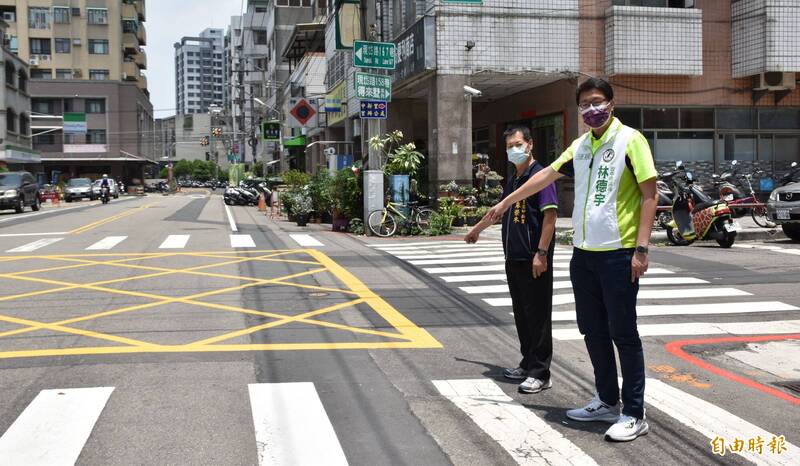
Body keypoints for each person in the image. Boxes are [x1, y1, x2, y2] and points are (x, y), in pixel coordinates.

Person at [485, 77, 658, 442]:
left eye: (597, 102)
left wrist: (642, 249)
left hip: (619, 253)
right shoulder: (580, 146)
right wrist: (506, 201)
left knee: (623, 334)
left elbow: (649, 195)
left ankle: (634, 411)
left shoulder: (631, 141)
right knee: (592, 331)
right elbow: (546, 174)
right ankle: (607, 401)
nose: (591, 109)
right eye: (584, 104)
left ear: (611, 103)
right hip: (584, 256)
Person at [465, 126, 558, 394]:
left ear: (530, 145)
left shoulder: (542, 176)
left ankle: (541, 372)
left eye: (518, 144)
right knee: (522, 314)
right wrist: (476, 231)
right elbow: (499, 211)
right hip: (514, 258)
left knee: (538, 316)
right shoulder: (514, 179)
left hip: (533, 258)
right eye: (509, 146)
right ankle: (528, 363)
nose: (513, 150)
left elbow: (550, 217)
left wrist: (541, 253)